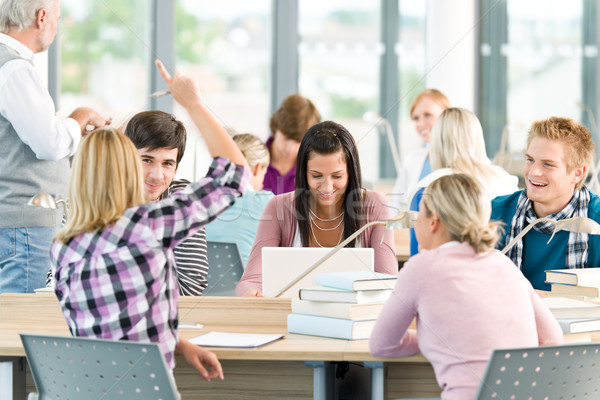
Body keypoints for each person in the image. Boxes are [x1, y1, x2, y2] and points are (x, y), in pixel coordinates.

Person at [50, 60, 250, 383]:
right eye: (143, 160)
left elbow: (112, 326)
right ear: (127, 167)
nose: (156, 175)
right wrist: (193, 104)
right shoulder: (151, 225)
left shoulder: (63, 245)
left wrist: (178, 342)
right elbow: (235, 174)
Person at [370, 173, 563, 400]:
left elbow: (381, 345)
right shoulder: (504, 263)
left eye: (418, 215)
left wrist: (431, 338)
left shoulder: (420, 268)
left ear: (433, 221)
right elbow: (552, 339)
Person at [0, 0, 108, 293]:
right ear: (42, 17)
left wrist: (69, 130)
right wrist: (81, 115)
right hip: (23, 225)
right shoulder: (13, 68)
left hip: (9, 222)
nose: (57, 29)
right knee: (19, 323)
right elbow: (48, 144)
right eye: (57, 20)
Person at [236, 121, 398, 297]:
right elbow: (250, 280)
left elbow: (387, 281)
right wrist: (251, 293)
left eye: (337, 176)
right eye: (316, 176)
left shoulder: (375, 206)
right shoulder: (277, 207)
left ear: (351, 172)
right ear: (303, 173)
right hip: (291, 317)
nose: (327, 187)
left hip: (353, 319)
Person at [492, 116, 600, 290]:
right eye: (530, 160)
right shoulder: (493, 214)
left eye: (548, 164)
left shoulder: (596, 222)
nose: (533, 172)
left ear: (578, 173)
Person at [408, 107, 518, 255]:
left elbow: (419, 255)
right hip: (500, 271)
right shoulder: (507, 183)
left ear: (436, 143)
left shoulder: (429, 188)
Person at [124, 110, 210, 295]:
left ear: (176, 169)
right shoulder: (96, 195)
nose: (156, 175)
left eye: (167, 164)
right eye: (146, 160)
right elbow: (60, 280)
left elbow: (190, 287)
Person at [206, 133, 275, 265]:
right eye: (264, 174)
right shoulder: (269, 202)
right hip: (247, 283)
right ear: (257, 169)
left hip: (200, 282)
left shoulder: (203, 197)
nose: (262, 184)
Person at [389, 89, 450, 211]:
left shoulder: (464, 158)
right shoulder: (413, 159)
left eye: (428, 115)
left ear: (447, 115)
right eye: (416, 118)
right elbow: (394, 208)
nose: (421, 124)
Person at [263, 94, 321, 195]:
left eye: (299, 141)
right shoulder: (252, 161)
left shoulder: (313, 169)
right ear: (275, 127)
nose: (290, 148)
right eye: (286, 137)